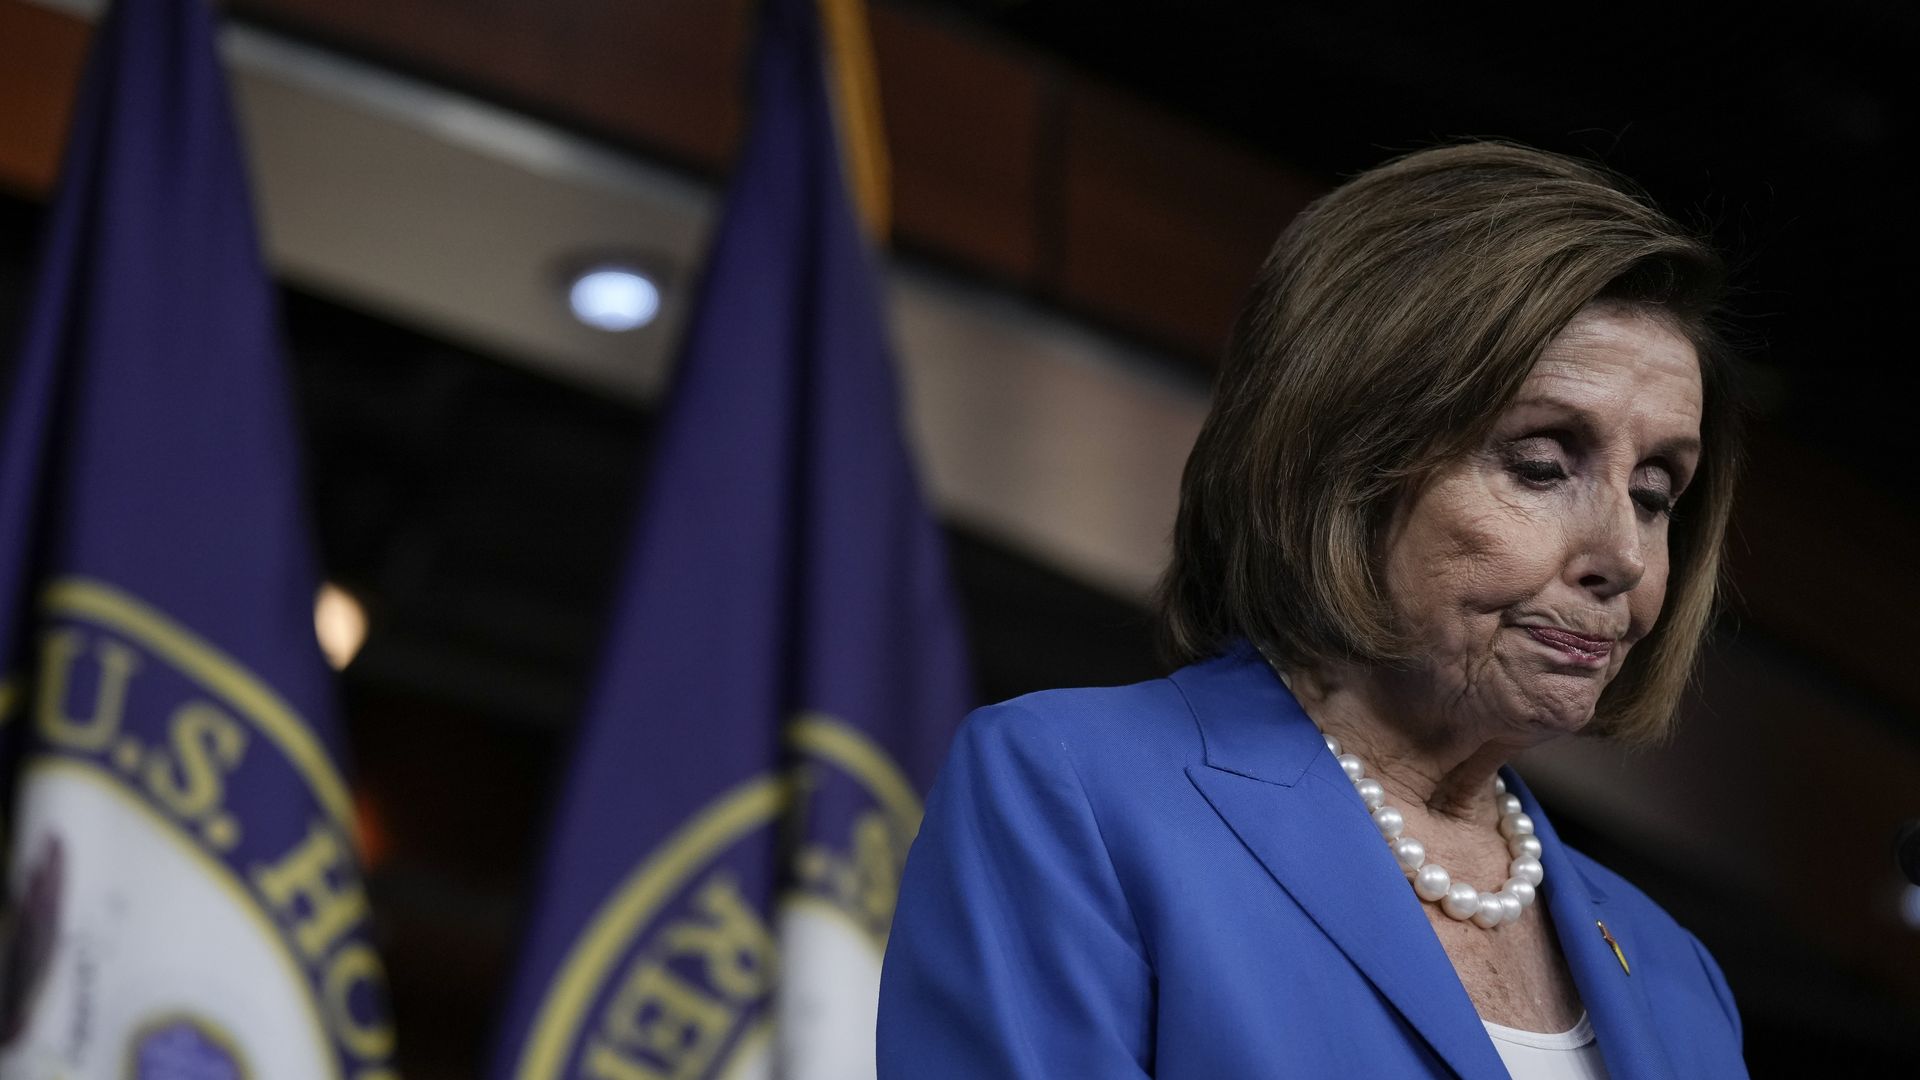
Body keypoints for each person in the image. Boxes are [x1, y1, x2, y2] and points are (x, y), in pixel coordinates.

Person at [876, 142, 1748, 1079]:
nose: (1623, 555)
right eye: (1539, 464)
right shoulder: (1077, 796)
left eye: (1656, 493)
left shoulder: (1675, 975)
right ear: (1339, 464)